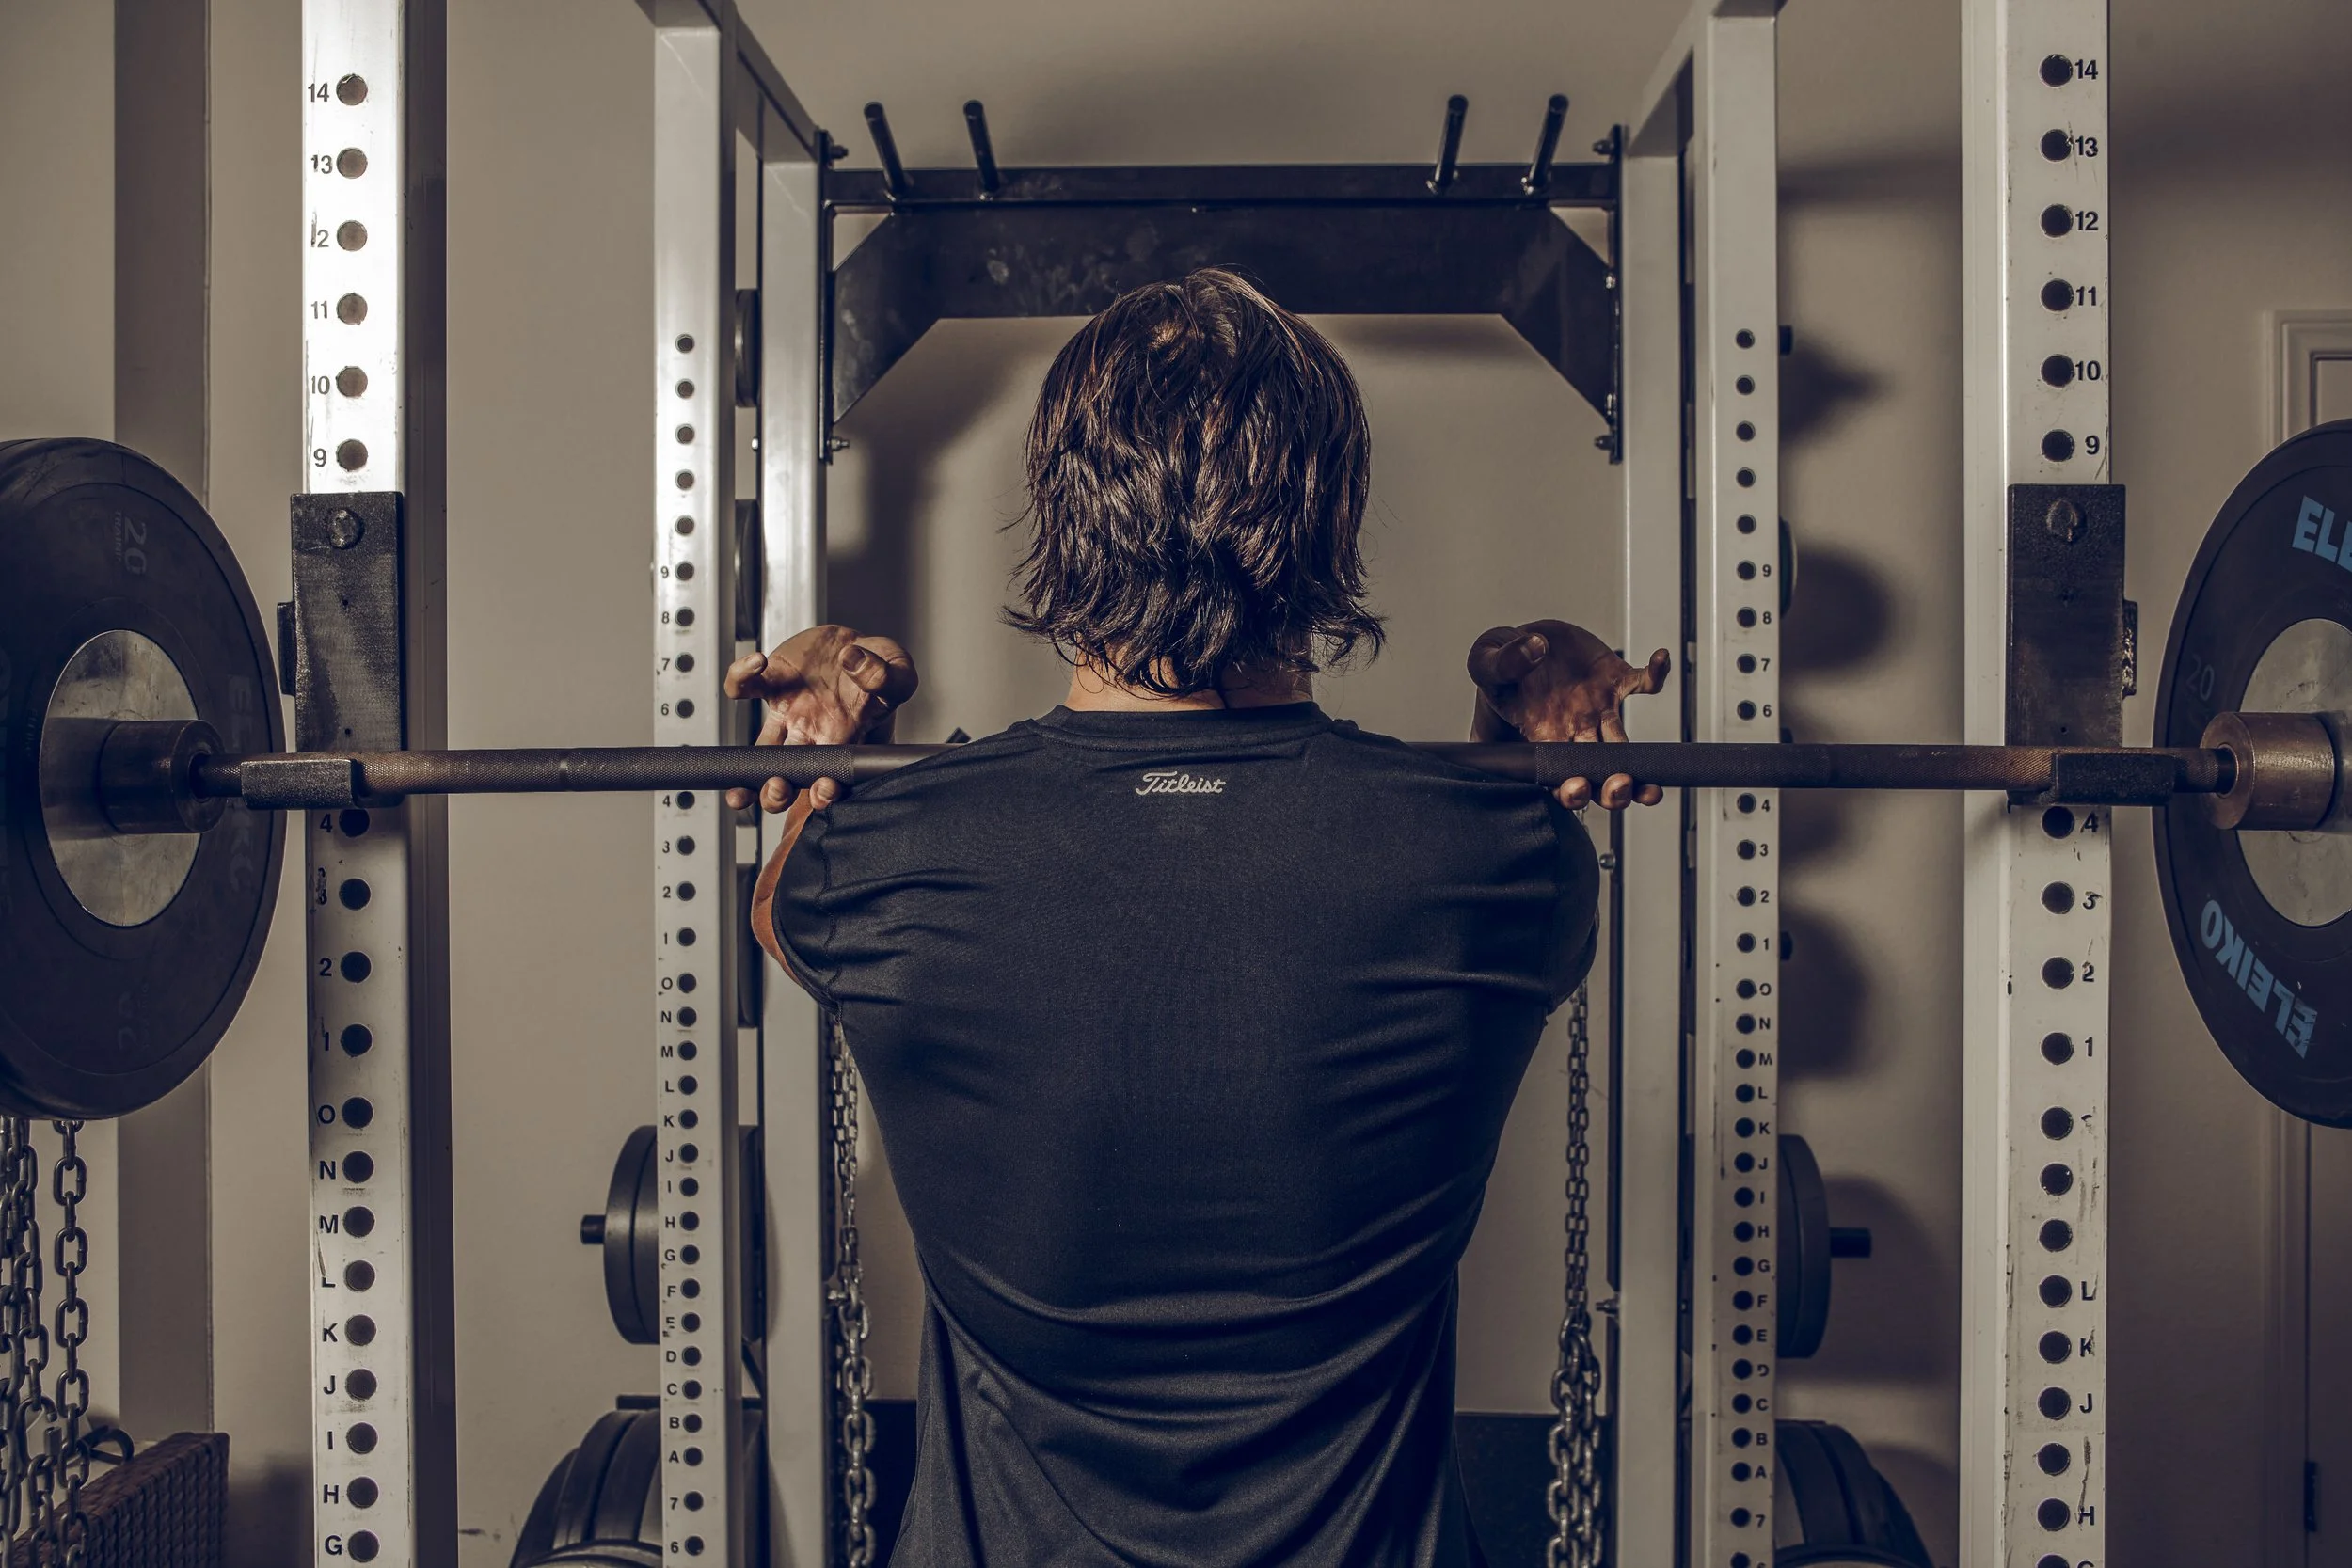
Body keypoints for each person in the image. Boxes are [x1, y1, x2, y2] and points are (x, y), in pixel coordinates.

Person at [728, 269, 1667, 1567]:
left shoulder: (877, 861)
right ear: (1332, 514)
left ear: (1059, 509)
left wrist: (846, 746)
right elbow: (1480, 878)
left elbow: (786, 908)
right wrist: (1507, 738)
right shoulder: (1497, 860)